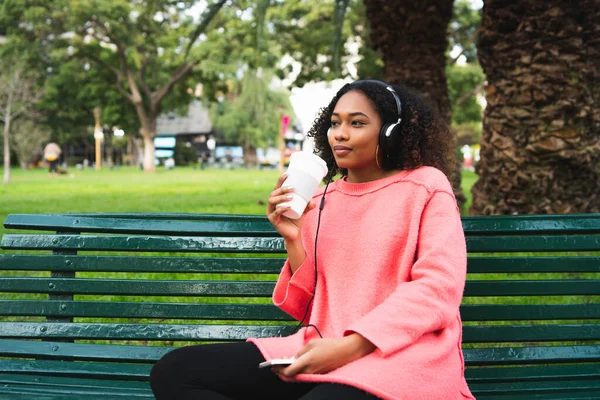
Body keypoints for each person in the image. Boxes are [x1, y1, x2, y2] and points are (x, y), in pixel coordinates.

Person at [150, 80, 475, 400]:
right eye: (335, 123)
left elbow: (438, 288)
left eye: (357, 123)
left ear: (391, 132)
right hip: (318, 350)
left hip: (397, 359)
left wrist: (351, 346)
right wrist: (293, 238)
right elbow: (303, 307)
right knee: (174, 372)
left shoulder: (426, 186)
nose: (340, 133)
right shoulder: (320, 200)